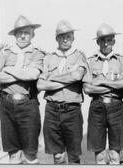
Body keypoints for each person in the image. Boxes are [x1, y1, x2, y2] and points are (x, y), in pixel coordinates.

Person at [37, 20, 88, 164]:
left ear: (73, 38)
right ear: (56, 38)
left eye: (68, 36)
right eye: (62, 36)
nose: (65, 40)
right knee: (58, 155)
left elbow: (77, 76)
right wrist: (67, 79)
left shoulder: (79, 56)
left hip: (72, 111)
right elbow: (40, 85)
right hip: (52, 110)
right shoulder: (49, 57)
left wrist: (52, 79)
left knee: (74, 156)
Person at [83, 23, 123, 164]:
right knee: (99, 155)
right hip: (97, 107)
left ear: (114, 41)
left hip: (116, 107)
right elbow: (87, 89)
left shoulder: (122, 60)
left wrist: (101, 82)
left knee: (114, 155)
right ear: (98, 42)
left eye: (109, 40)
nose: (106, 43)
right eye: (103, 40)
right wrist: (115, 86)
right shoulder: (90, 61)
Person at [0, 15, 44, 164]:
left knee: (30, 155)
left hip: (28, 105)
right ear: (15, 35)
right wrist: (21, 73)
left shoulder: (38, 53)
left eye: (26, 33)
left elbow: (32, 75)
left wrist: (7, 69)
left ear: (32, 34)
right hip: (6, 105)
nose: (22, 36)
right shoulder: (5, 52)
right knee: (14, 154)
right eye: (19, 33)